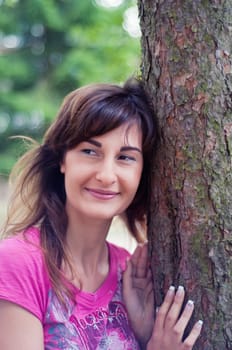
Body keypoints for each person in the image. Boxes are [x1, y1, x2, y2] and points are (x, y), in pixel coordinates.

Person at [0, 78, 203, 349]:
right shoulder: (18, 263)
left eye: (125, 157)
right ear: (63, 159)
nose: (106, 175)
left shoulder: (131, 273)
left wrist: (143, 335)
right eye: (90, 151)